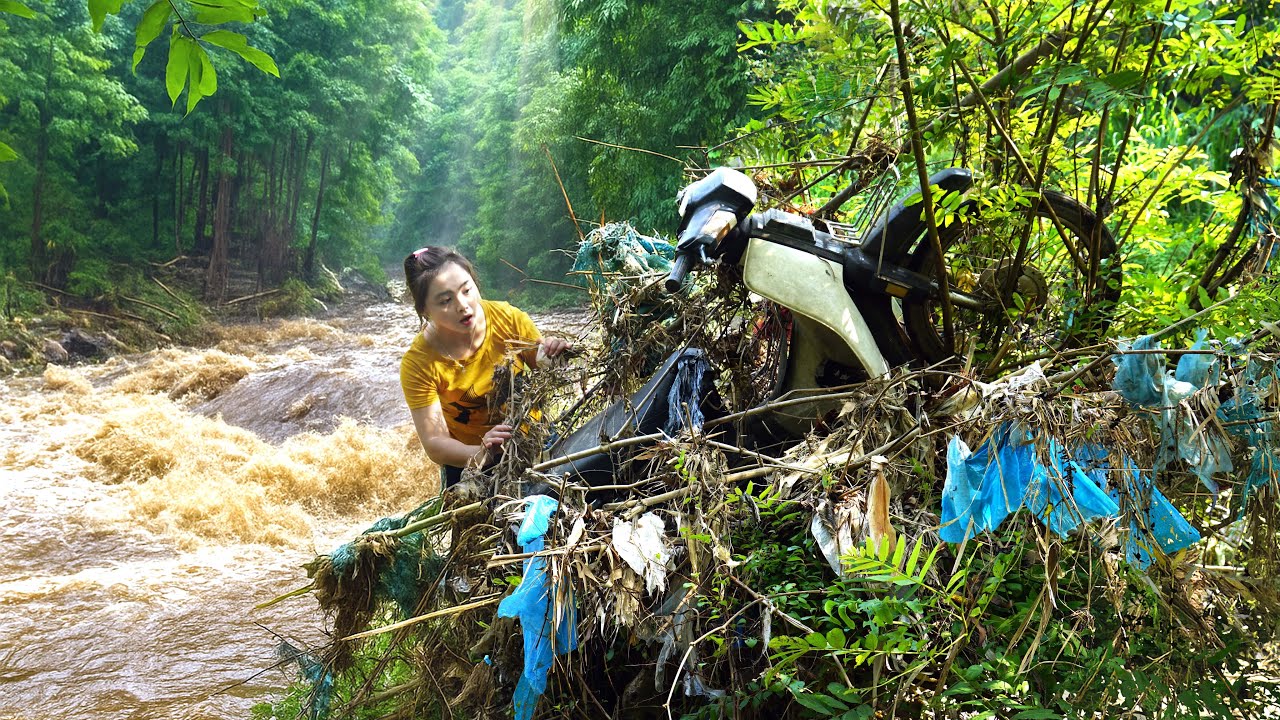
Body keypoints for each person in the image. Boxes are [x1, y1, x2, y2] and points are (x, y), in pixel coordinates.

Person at [400, 246, 570, 490]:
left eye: (467, 290)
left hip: (535, 439)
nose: (463, 305)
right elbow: (435, 442)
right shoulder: (418, 363)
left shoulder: (507, 319)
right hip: (471, 462)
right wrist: (480, 452)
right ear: (425, 311)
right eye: (446, 301)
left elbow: (544, 367)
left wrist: (555, 354)